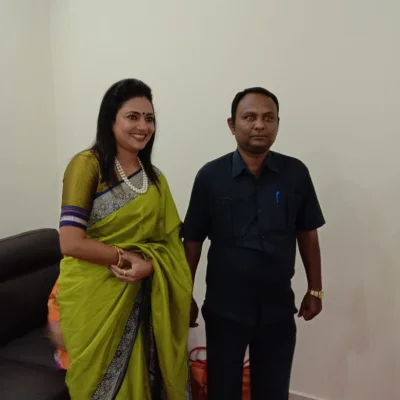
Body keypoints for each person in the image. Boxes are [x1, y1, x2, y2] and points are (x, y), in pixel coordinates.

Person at [47, 78, 193, 399]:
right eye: (132, 116)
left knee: (144, 383)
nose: (143, 126)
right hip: (92, 297)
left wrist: (150, 266)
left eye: (149, 118)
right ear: (110, 120)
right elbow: (70, 242)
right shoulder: (87, 166)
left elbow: (169, 244)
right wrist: (125, 259)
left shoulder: (154, 180)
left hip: (141, 295)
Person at [183, 87, 325, 400]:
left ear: (277, 124)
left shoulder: (295, 174)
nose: (260, 124)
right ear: (232, 125)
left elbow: (307, 232)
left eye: (268, 118)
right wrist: (184, 295)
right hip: (224, 310)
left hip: (278, 309)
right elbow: (192, 240)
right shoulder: (210, 176)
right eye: (249, 117)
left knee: (273, 391)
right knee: (222, 390)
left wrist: (315, 289)